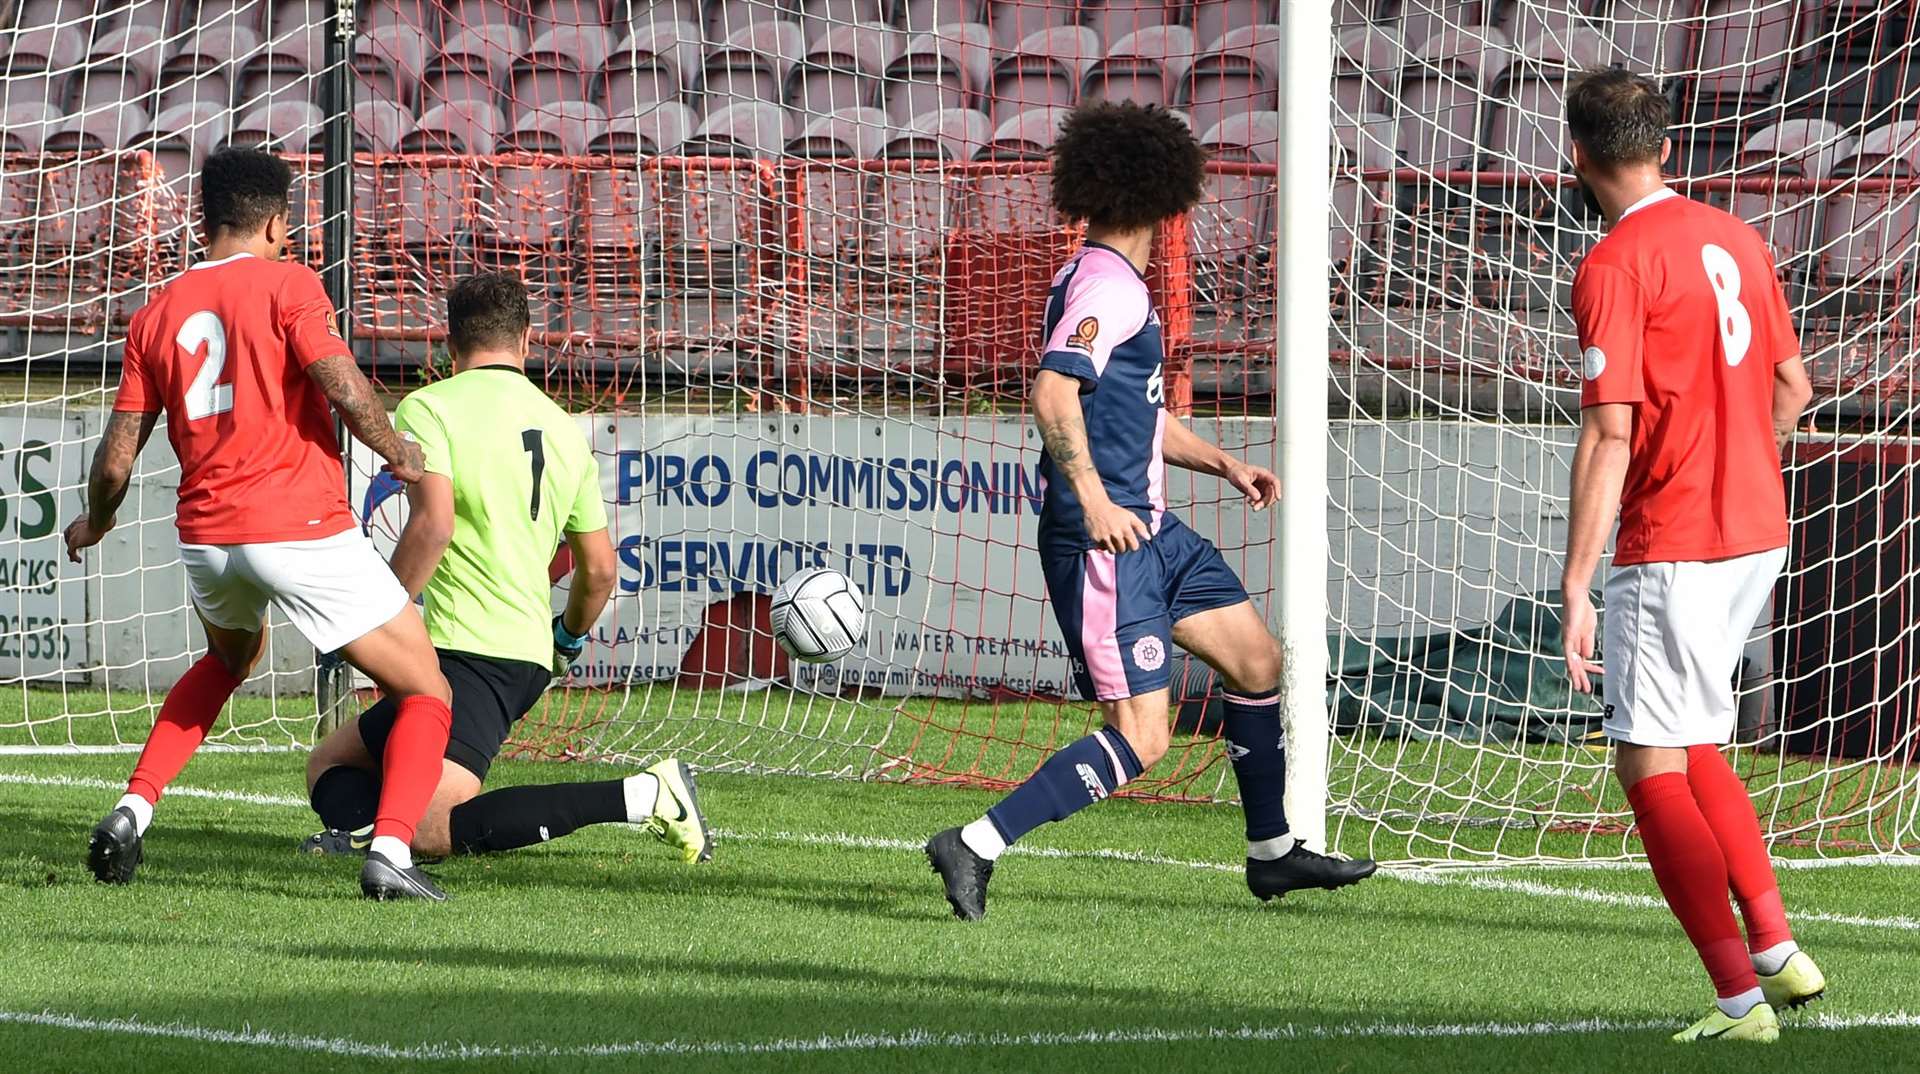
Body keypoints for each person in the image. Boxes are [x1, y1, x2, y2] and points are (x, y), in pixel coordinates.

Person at [923, 102, 1377, 920]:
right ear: (1168, 191)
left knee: (1255, 661)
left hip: (1154, 533)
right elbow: (1053, 392)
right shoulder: (1104, 285)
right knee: (1145, 739)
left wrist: (1222, 460)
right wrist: (1094, 501)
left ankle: (1272, 853)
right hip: (1108, 539)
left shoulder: (1111, 282)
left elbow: (1128, 410)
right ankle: (975, 844)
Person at [65, 146, 456, 900]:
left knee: (225, 662)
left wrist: (97, 522)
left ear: (205, 220)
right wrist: (399, 451)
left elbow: (116, 461)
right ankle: (393, 855)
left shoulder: (155, 313)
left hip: (207, 537)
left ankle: (130, 811)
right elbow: (337, 380)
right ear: (278, 222)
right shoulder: (290, 283)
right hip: (298, 525)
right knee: (426, 690)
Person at [1558, 68, 1824, 1044]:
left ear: (1576, 153)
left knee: (1644, 757)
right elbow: (1794, 386)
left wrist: (1578, 581)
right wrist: (1741, 459)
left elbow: (1610, 434)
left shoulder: (1615, 265)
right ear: (1666, 147)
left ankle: (1738, 1004)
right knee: (1693, 736)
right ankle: (1777, 951)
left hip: (1676, 539)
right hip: (1758, 528)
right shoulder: (1739, 238)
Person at [302, 272, 711, 866]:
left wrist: (375, 615)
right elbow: (598, 572)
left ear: (449, 345)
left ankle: (644, 795)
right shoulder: (565, 429)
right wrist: (565, 639)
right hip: (513, 652)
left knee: (425, 831)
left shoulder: (430, 405)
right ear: (526, 340)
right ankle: (371, 830)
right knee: (331, 763)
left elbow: (432, 526)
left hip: (470, 656)